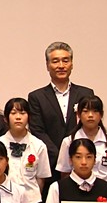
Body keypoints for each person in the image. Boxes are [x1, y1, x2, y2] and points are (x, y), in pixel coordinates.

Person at [28, 42, 95, 186]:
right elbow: (38, 131)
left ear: (72, 64)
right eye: (55, 61)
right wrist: (62, 157)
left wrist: (76, 158)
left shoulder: (86, 94)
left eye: (65, 60)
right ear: (47, 65)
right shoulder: (36, 97)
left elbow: (90, 126)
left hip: (81, 166)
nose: (61, 65)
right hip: (50, 165)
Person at [55, 95, 107, 187]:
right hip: (77, 190)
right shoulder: (68, 141)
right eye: (86, 111)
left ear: (101, 114)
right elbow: (64, 173)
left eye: (95, 111)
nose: (90, 115)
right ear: (78, 114)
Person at [0, 98, 51, 203]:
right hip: (4, 201)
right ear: (6, 119)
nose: (18, 117)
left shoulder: (38, 145)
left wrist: (32, 198)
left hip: (32, 201)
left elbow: (41, 178)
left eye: (22, 113)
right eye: (13, 113)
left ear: (29, 117)